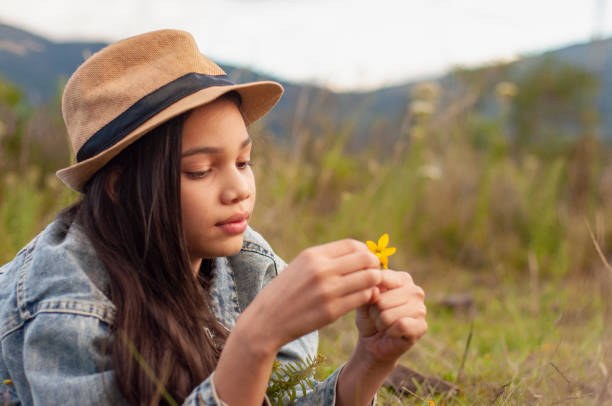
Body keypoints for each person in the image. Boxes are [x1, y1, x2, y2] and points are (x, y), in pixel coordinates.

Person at [0, 29, 427, 406]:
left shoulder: (252, 267)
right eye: (200, 170)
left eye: (244, 162)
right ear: (117, 186)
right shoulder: (67, 304)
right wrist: (255, 340)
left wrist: (368, 363)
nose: (239, 190)